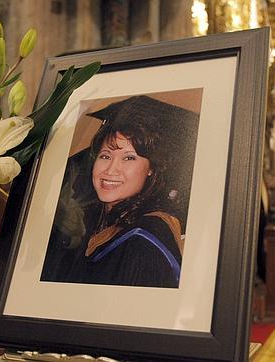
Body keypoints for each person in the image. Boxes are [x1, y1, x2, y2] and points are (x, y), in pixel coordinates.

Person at [40, 95, 200, 288]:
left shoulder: (143, 243)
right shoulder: (96, 221)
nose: (110, 170)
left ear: (152, 169)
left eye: (129, 158)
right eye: (106, 155)